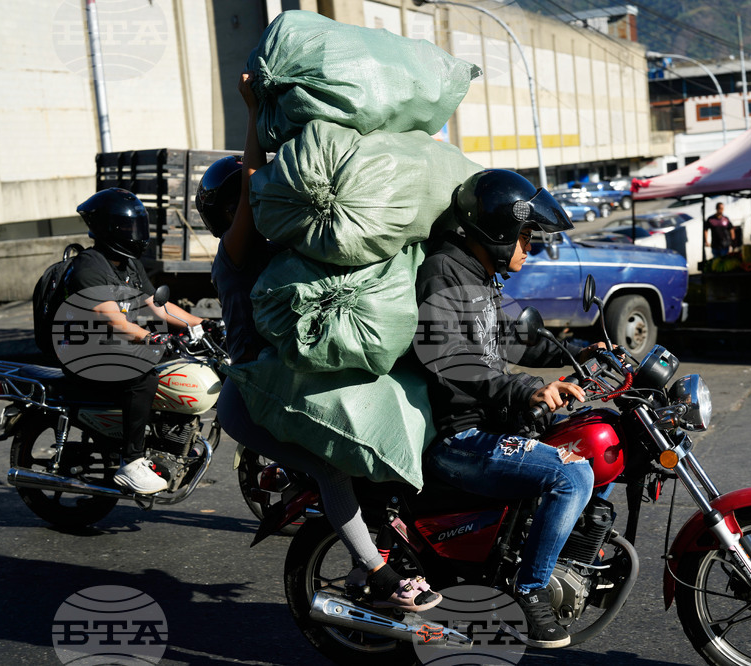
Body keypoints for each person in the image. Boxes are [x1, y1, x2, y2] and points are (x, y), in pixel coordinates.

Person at [204, 72, 440, 613]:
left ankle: (387, 550)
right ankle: (378, 574)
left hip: (287, 384)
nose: (259, 199)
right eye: (245, 200)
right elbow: (254, 186)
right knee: (331, 466)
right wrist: (254, 112)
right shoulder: (235, 255)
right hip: (253, 398)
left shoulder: (289, 248)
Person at [414, 169, 599, 647]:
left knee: (588, 439)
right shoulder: (442, 271)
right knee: (571, 475)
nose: (527, 247)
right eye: (524, 236)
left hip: (491, 424)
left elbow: (520, 339)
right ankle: (530, 592)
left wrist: (583, 352)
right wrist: (526, 390)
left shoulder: (481, 278)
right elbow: (446, 359)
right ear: (496, 230)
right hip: (461, 437)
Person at [66, 188, 208, 494]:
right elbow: (114, 321)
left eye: (137, 225)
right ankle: (131, 462)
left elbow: (157, 305)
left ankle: (167, 441)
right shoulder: (89, 266)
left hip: (109, 348)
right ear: (109, 228)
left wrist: (201, 324)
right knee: (142, 377)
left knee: (175, 367)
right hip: (82, 354)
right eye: (127, 226)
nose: (135, 233)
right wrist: (152, 337)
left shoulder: (128, 264)